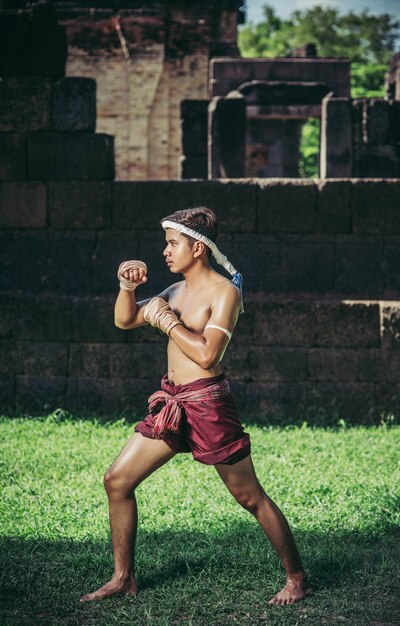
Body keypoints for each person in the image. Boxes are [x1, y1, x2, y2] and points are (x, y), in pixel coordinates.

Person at [80, 207, 312, 606]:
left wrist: (168, 323)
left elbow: (208, 355)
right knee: (117, 481)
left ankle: (297, 578)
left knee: (249, 496)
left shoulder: (225, 292)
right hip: (172, 404)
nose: (165, 251)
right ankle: (123, 578)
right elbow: (125, 320)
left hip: (208, 405)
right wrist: (126, 288)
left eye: (172, 243)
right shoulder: (173, 291)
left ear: (197, 247)